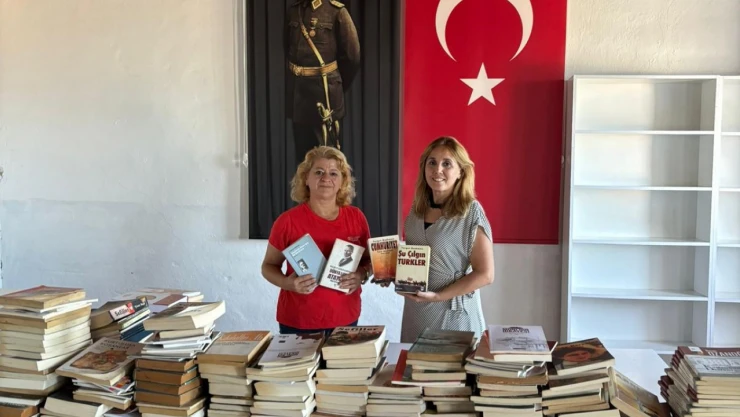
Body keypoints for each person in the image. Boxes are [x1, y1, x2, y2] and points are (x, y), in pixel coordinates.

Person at [390, 136, 495, 343]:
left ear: (461, 172)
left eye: (447, 164)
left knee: (451, 365)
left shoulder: (471, 212)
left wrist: (439, 296)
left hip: (453, 315)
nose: (437, 170)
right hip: (416, 313)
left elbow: (486, 274)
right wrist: (390, 272)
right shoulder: (416, 211)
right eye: (432, 162)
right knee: (414, 363)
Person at [261, 146, 373, 337]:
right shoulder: (287, 221)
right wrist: (287, 283)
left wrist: (361, 274)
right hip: (298, 320)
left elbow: (369, 262)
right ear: (306, 178)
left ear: (342, 181)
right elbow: (268, 266)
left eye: (333, 173)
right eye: (319, 172)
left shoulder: (356, 218)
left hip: (345, 317)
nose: (326, 178)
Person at [285, 0, 361, 158]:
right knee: (303, 159)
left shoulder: (337, 12)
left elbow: (352, 57)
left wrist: (336, 86)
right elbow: (288, 49)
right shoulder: (294, 11)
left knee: (327, 157)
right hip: (299, 97)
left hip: (324, 96)